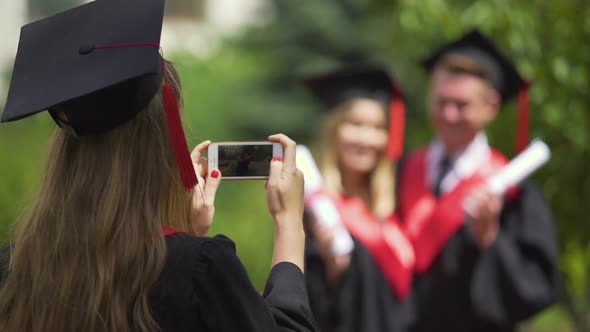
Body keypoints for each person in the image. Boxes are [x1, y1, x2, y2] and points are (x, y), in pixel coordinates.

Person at [0, 1, 318, 331]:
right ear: (160, 144)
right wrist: (289, 225)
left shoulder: (14, 269)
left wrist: (182, 231)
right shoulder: (202, 268)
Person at [395, 29, 559, 332]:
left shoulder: (513, 192)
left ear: (491, 107)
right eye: (441, 101)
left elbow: (535, 291)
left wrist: (490, 241)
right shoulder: (400, 173)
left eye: (461, 105)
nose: (448, 114)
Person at [301, 64, 415, 332]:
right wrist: (332, 271)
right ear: (334, 130)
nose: (367, 138)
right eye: (355, 124)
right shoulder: (315, 212)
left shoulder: (396, 201)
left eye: (378, 127)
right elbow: (304, 306)